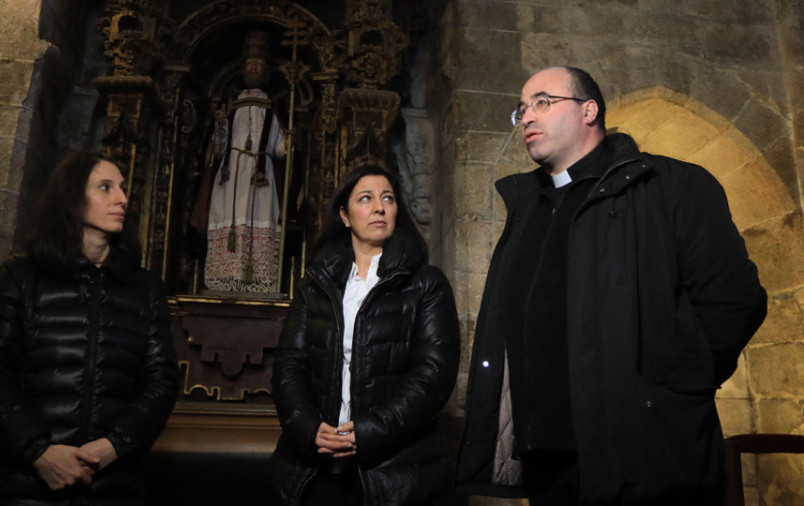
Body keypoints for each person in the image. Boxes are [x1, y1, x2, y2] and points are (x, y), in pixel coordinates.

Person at [455, 66, 767, 505]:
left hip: (647, 455)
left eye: (542, 102)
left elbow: (734, 302)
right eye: (521, 109)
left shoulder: (670, 185)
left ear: (589, 110)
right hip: (546, 462)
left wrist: (664, 393)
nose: (527, 116)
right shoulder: (528, 208)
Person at [0, 151, 179, 505]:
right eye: (105, 188)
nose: (123, 198)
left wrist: (114, 447)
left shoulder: (145, 290)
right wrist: (39, 451)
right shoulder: (21, 277)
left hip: (110, 487)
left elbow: (161, 381)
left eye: (123, 189)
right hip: (19, 487)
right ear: (71, 198)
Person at [270, 165, 461, 506]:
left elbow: (433, 374)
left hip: (395, 471)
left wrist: (369, 431)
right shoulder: (315, 286)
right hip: (316, 465)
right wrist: (309, 429)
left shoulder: (426, 284)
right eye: (366, 198)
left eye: (387, 198)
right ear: (345, 216)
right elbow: (289, 364)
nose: (379, 207)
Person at [189, 30, 287, 293]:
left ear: (265, 72)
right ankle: (226, 278)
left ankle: (255, 279)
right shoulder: (231, 109)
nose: (254, 67)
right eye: (250, 64)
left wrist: (289, 140)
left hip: (260, 176)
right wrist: (220, 125)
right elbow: (218, 150)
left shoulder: (271, 110)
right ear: (243, 70)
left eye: (259, 65)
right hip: (231, 176)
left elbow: (280, 151)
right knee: (229, 220)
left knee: (258, 219)